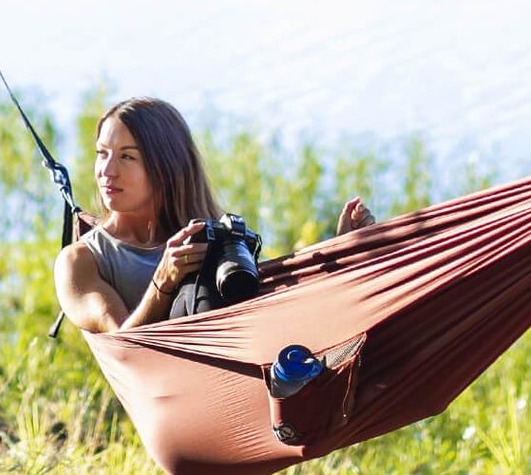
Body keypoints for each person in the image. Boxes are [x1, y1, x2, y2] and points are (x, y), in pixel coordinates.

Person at [54, 97, 375, 336]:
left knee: (228, 280)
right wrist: (164, 282)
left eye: (127, 157)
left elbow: (270, 305)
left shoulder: (208, 238)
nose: (107, 171)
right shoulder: (82, 261)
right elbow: (123, 346)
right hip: (170, 393)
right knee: (202, 285)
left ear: (165, 167)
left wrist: (340, 253)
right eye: (102, 153)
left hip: (240, 377)